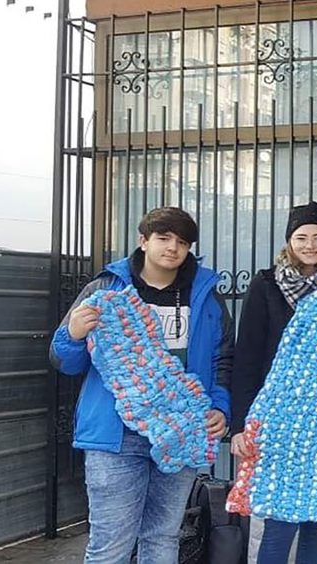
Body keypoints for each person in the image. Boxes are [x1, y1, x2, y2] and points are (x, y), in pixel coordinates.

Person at [49, 207, 233, 563]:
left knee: (163, 537)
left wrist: (220, 407)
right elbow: (65, 362)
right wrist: (73, 334)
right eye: (163, 238)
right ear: (143, 241)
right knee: (111, 544)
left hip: (180, 430)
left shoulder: (206, 296)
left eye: (182, 242)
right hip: (115, 436)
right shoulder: (105, 289)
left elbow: (222, 360)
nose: (172, 248)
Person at [229, 201, 317, 564]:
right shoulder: (267, 284)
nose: (310, 245)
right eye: (301, 237)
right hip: (276, 417)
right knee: (279, 518)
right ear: (289, 241)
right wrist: (240, 424)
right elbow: (248, 355)